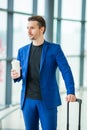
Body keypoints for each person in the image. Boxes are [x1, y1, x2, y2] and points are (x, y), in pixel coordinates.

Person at [11, 15, 76, 130]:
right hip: (28, 101)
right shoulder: (22, 51)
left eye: (32, 28)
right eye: (27, 28)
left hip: (47, 101)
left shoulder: (55, 49)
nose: (29, 31)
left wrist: (70, 91)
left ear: (42, 29)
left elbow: (66, 70)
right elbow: (20, 74)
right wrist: (15, 76)